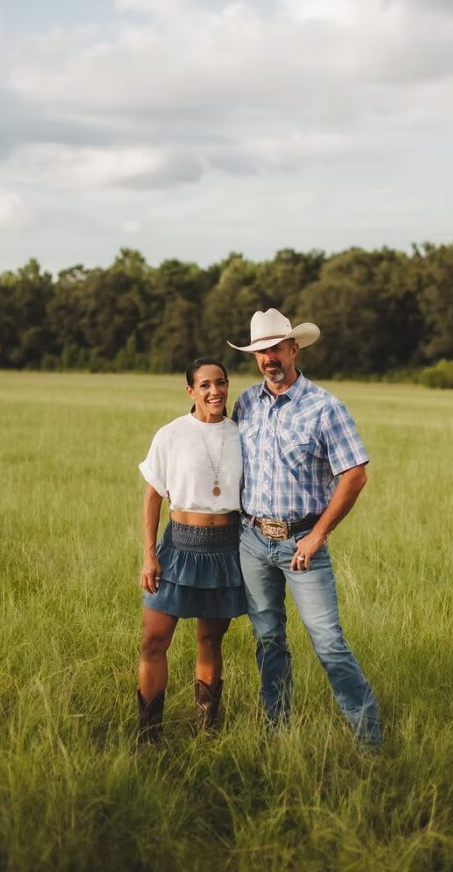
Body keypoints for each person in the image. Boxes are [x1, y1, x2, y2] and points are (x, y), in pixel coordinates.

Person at [228, 309, 381, 748]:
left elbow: (355, 474)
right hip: (253, 540)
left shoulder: (325, 407)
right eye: (261, 352)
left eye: (276, 348)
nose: (269, 358)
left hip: (303, 545)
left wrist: (317, 535)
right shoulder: (246, 403)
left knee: (328, 642)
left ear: (295, 348)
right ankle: (277, 731)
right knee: (269, 639)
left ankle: (368, 740)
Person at [136, 357, 247, 743]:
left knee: (210, 640)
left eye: (221, 383)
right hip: (179, 545)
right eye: (204, 385)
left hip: (225, 549)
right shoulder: (171, 434)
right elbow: (152, 497)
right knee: (153, 640)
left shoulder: (241, 434)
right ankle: (149, 736)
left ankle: (207, 732)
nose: (214, 391)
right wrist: (150, 554)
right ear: (190, 391)